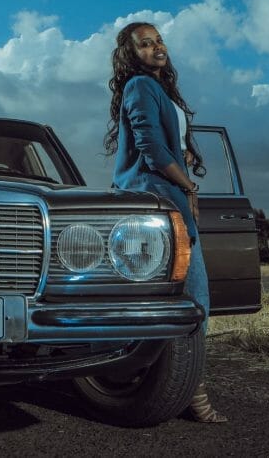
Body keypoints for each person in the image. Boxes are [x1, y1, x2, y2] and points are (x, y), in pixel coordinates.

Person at [104, 21, 228, 423]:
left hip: (163, 192)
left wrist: (185, 156)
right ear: (131, 53)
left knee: (172, 296)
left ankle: (167, 379)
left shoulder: (160, 89)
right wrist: (188, 185)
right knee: (193, 297)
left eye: (158, 41)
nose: (157, 47)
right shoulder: (140, 86)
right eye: (145, 44)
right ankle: (190, 387)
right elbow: (151, 147)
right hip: (157, 196)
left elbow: (166, 145)